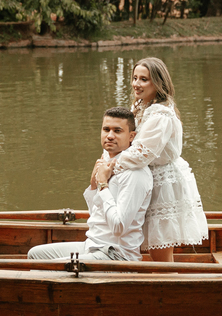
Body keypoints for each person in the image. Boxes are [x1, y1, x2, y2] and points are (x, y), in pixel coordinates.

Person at [112, 57, 208, 262]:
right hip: (145, 180)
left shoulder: (160, 114)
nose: (136, 84)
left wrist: (110, 166)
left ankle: (167, 288)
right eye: (135, 78)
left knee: (160, 251)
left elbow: (141, 153)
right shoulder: (140, 107)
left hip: (163, 184)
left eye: (144, 79)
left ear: (157, 83)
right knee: (148, 245)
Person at [27, 107, 152, 261]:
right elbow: (96, 215)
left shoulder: (135, 173)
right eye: (106, 129)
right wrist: (93, 186)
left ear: (131, 136)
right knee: (35, 255)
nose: (110, 136)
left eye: (117, 131)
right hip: (92, 245)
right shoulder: (106, 163)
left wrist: (102, 185)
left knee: (48, 268)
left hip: (117, 255)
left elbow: (118, 227)